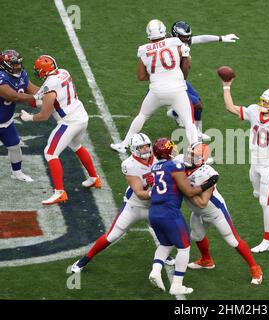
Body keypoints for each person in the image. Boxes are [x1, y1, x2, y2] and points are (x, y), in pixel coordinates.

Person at [220, 77, 269, 253]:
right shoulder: (253, 111)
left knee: (264, 202)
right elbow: (230, 107)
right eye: (263, 101)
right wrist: (226, 86)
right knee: (258, 194)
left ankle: (268, 241)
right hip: (255, 162)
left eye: (268, 102)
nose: (263, 105)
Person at [20, 55, 101, 205]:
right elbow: (49, 97)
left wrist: (29, 118)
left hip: (69, 122)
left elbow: (44, 114)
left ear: (44, 71)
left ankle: (59, 192)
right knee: (76, 145)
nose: (37, 72)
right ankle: (94, 178)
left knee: (50, 153)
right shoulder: (63, 72)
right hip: (81, 116)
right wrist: (34, 98)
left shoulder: (50, 86)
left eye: (38, 70)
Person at [110, 19, 198, 154]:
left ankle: (124, 144)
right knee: (189, 123)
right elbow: (186, 67)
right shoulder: (176, 43)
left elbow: (141, 76)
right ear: (164, 30)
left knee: (142, 115)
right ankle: (197, 153)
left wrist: (157, 76)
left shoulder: (143, 50)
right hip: (177, 90)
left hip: (156, 91)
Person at [71, 133, 155, 273]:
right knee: (112, 236)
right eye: (141, 147)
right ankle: (83, 261)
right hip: (134, 206)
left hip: (154, 206)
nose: (145, 149)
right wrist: (159, 190)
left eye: (147, 146)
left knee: (165, 232)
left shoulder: (159, 157)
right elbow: (140, 194)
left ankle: (166, 255)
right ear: (134, 149)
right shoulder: (129, 164)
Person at [182, 142, 263, 285]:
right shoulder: (180, 165)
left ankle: (255, 267)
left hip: (215, 211)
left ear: (202, 160)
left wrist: (184, 188)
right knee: (196, 236)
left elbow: (203, 202)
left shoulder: (208, 174)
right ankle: (207, 261)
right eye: (189, 153)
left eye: (194, 155)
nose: (189, 157)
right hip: (197, 212)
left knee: (232, 240)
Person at [147, 137, 218, 295]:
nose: (174, 149)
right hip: (169, 212)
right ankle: (177, 284)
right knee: (184, 248)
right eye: (171, 148)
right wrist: (209, 182)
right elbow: (189, 191)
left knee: (165, 245)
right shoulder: (175, 165)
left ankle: (156, 270)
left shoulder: (154, 167)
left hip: (153, 212)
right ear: (167, 152)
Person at [166, 20, 239, 141]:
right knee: (197, 105)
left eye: (187, 37)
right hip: (170, 83)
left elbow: (200, 39)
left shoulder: (181, 42)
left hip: (179, 81)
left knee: (197, 100)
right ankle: (195, 134)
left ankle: (175, 113)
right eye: (183, 37)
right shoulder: (168, 47)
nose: (186, 39)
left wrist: (221, 38)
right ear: (176, 35)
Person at [0, 49, 40, 182]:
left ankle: (17, 173)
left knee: (14, 146)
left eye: (18, 64)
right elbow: (13, 96)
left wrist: (51, 92)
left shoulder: (21, 74)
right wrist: (37, 98)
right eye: (15, 64)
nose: (18, 66)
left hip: (6, 122)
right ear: (5, 65)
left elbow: (34, 90)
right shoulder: (1, 78)